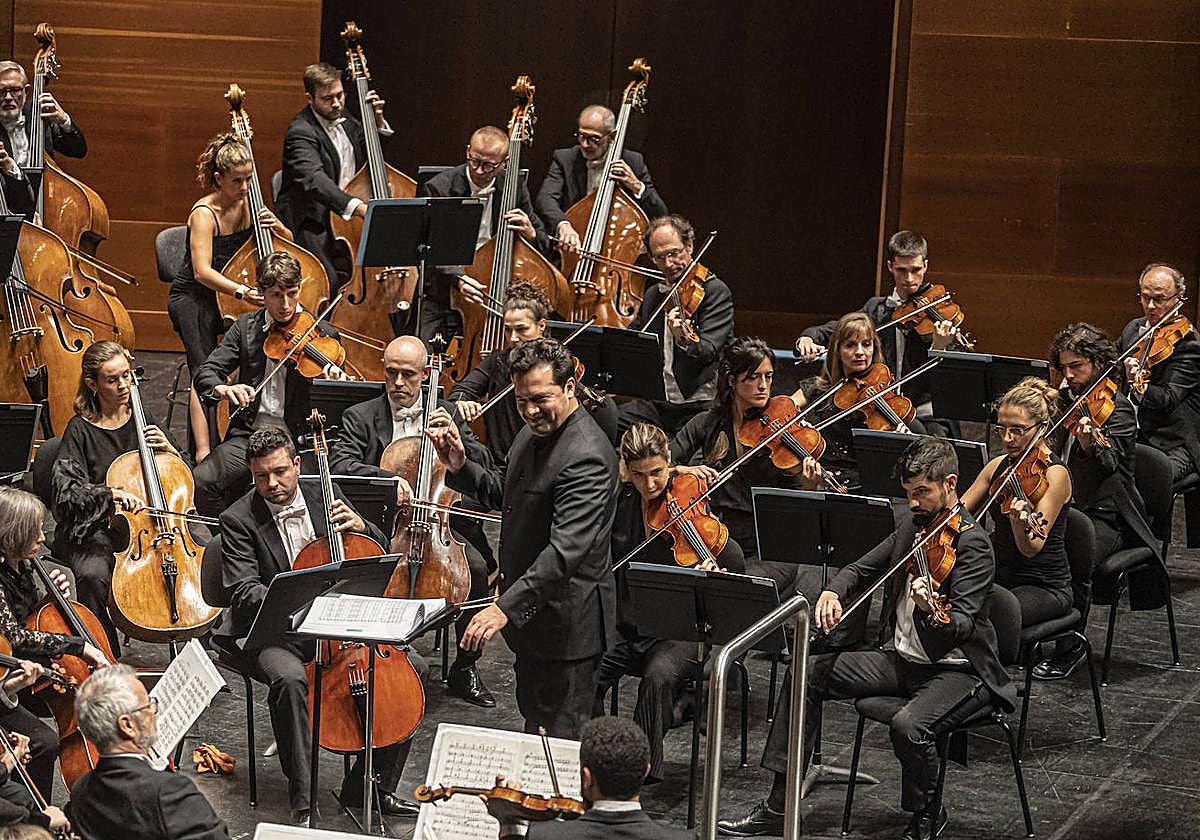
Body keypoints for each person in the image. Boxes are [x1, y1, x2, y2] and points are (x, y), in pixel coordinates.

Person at [717, 436, 1015, 840]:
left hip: (959, 671)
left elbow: (961, 625)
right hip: (904, 661)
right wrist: (832, 591)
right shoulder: (913, 525)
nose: (913, 502)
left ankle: (928, 812)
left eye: (922, 493)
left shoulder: (973, 544)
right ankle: (778, 806)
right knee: (806, 672)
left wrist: (932, 612)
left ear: (950, 484)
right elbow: (859, 568)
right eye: (908, 493)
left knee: (908, 726)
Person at [426, 337, 618, 737]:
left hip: (568, 631)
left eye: (540, 398)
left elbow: (565, 552)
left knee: (561, 747)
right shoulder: (531, 434)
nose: (530, 410)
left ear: (569, 388)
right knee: (537, 732)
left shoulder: (587, 455)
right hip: (535, 624)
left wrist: (503, 608)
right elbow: (504, 494)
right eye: (521, 400)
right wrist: (460, 464)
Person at [329, 335, 498, 707]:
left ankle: (465, 666)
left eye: (407, 374)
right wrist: (390, 480)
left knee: (479, 570)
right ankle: (378, 657)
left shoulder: (447, 412)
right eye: (391, 373)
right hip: (388, 525)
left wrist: (457, 442)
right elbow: (340, 465)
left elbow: (482, 467)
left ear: (425, 374)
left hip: (440, 523)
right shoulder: (361, 417)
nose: (398, 383)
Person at [598, 423, 744, 782]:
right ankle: (596, 756)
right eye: (639, 475)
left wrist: (711, 571)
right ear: (625, 471)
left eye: (658, 473)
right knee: (585, 670)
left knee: (659, 678)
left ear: (669, 462)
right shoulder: (620, 500)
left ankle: (636, 771)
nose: (650, 485)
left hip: (678, 631)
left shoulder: (688, 502)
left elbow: (736, 563)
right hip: (628, 622)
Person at [1032, 323, 1164, 679]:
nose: (1070, 375)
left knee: (1072, 558)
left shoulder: (1118, 410)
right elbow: (1049, 452)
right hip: (1066, 508)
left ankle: (1070, 645)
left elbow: (1108, 465)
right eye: (1065, 368)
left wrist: (1090, 439)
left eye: (1078, 366)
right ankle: (1029, 634)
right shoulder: (1066, 402)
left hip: (1108, 517)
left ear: (1099, 363)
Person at [50, 341, 182, 652]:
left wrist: (171, 451)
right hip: (95, 527)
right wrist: (111, 494)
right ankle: (104, 653)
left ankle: (192, 653)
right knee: (92, 575)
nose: (124, 386)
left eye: (127, 376)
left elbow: (180, 477)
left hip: (148, 523)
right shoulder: (80, 430)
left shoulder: (142, 417)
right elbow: (65, 494)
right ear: (93, 384)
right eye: (113, 379)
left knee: (191, 566)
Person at [192, 251, 344, 517]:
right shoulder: (246, 328)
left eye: (292, 293)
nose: (286, 305)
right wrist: (226, 390)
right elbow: (207, 372)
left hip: (299, 440)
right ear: (262, 294)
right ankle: (230, 541)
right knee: (203, 481)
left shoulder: (323, 334)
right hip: (250, 436)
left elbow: (335, 408)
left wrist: (331, 387)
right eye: (276, 295)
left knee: (320, 496)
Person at [669, 338, 818, 593]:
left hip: (768, 548)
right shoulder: (708, 422)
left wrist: (810, 484)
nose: (763, 386)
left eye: (769, 377)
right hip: (717, 538)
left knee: (733, 590)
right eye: (753, 377)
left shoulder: (781, 432)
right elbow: (664, 463)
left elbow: (798, 505)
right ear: (731, 380)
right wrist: (682, 469)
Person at [168, 132, 282, 460]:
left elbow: (283, 245)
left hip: (228, 296)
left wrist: (279, 228)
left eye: (249, 179)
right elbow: (202, 272)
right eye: (238, 181)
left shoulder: (250, 203)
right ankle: (203, 453)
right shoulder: (204, 214)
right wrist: (243, 292)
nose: (246, 187)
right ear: (218, 179)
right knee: (204, 367)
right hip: (194, 297)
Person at [0, 488, 109, 798]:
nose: (43, 538)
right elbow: (16, 637)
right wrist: (79, 646)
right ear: (12, 535)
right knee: (45, 741)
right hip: (11, 674)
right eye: (34, 531)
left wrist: (49, 600)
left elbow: (27, 617)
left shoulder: (22, 563)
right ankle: (32, 818)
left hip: (31, 667)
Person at [794, 231, 960, 425]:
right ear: (890, 267)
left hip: (925, 413)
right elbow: (837, 329)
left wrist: (939, 347)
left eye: (915, 270)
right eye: (901, 270)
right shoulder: (876, 309)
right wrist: (807, 338)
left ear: (925, 266)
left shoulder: (940, 316)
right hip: (878, 407)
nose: (909, 278)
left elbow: (949, 383)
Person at [450, 280, 619, 461]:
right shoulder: (498, 361)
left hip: (547, 461)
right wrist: (463, 403)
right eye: (508, 330)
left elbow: (604, 412)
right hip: (500, 464)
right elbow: (460, 392)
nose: (513, 338)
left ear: (542, 325)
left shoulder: (557, 364)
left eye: (521, 329)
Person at [416, 125, 550, 342]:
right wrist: (459, 279)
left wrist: (530, 233)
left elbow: (543, 241)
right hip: (446, 289)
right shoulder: (440, 188)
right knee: (423, 352)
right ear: (468, 151)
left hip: (497, 287)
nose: (478, 171)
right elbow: (431, 248)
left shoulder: (514, 186)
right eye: (475, 161)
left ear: (504, 162)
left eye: (488, 166)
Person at [66, 664, 228, 840]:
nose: (154, 711)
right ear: (127, 725)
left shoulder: (81, 791)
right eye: (148, 705)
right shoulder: (168, 792)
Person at [960, 378, 1073, 629]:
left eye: (1018, 430)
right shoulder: (997, 466)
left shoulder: (1055, 475)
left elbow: (1032, 547)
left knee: (989, 614)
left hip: (1043, 585)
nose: (1008, 438)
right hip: (999, 574)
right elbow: (958, 514)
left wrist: (1017, 523)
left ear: (1042, 429)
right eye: (1002, 429)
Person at [275, 62, 391, 291]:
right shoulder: (300, 132)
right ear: (310, 98)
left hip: (345, 218)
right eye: (327, 98)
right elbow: (314, 180)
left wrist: (376, 124)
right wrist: (358, 208)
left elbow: (370, 155)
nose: (336, 103)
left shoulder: (345, 119)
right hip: (313, 220)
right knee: (328, 280)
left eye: (340, 95)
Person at [618, 215, 734, 436]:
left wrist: (682, 337)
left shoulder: (714, 292)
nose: (669, 264)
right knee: (607, 421)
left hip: (699, 405)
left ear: (689, 246)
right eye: (660, 257)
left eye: (674, 253)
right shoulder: (654, 295)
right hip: (658, 403)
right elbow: (636, 335)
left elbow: (707, 352)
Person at [792, 311, 925, 491]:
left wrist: (905, 443)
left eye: (866, 344)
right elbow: (785, 409)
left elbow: (920, 436)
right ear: (837, 350)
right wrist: (800, 427)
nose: (860, 352)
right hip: (825, 482)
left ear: (874, 349)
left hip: (867, 486)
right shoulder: (819, 388)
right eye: (851, 345)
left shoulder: (881, 392)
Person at [498, 717, 689, 840]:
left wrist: (509, 823)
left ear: (586, 777)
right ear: (646, 771)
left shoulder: (546, 836)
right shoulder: (685, 839)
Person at [535, 104, 668, 254]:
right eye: (581, 136)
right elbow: (545, 198)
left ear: (611, 136)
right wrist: (563, 224)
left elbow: (661, 214)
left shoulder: (633, 161)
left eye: (594, 139)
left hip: (615, 253)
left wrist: (636, 185)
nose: (585, 144)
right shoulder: (565, 159)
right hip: (573, 249)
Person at [1118, 262, 1200, 488]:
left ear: (1179, 297)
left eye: (1160, 299)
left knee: (1147, 484)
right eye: (1145, 297)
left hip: (1175, 442)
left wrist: (1139, 385)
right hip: (1136, 435)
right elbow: (1111, 362)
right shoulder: (1134, 329)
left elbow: (1167, 399)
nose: (1151, 306)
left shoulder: (1188, 344)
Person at [0, 61, 86, 166]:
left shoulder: (39, 113)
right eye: (1, 91)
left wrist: (64, 120)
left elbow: (77, 151)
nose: (8, 97)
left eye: (15, 90)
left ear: (26, 91)